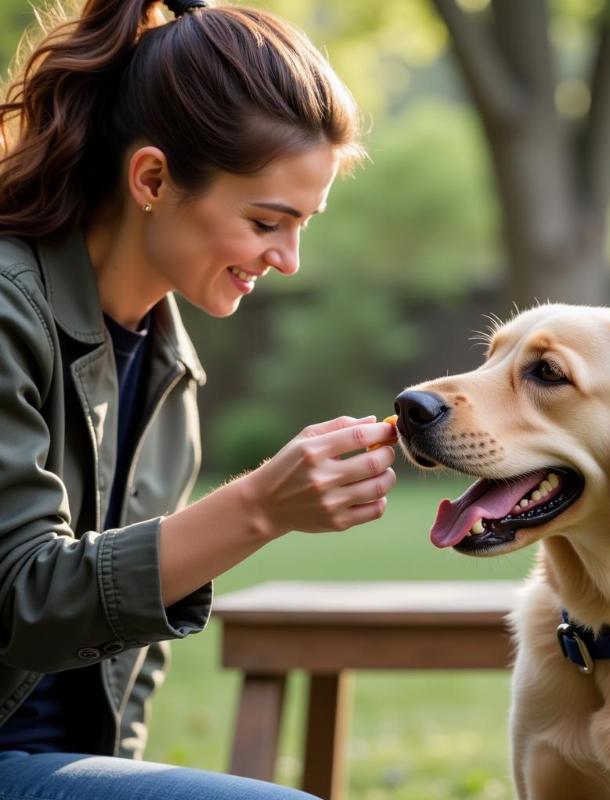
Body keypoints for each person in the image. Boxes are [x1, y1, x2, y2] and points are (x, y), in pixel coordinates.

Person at [0, 0, 398, 797]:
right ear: (151, 178)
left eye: (303, 225)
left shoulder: (171, 366)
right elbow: (22, 599)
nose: (287, 259)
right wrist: (258, 506)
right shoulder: (9, 311)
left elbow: (130, 670)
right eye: (266, 221)